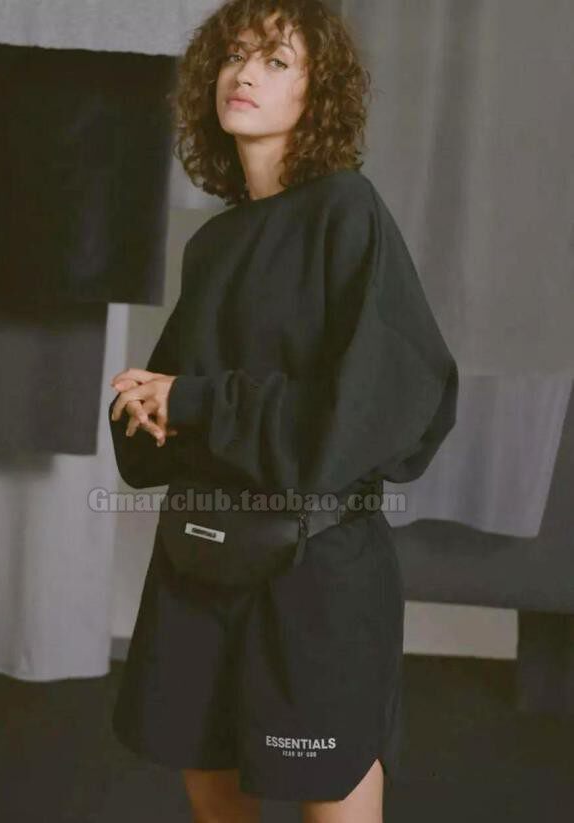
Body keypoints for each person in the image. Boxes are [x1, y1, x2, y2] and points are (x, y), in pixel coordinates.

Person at [108, 2, 458, 821]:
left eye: (275, 60)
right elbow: (172, 408)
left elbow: (379, 409)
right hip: (202, 555)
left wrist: (198, 403)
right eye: (236, 55)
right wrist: (148, 406)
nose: (245, 73)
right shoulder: (213, 244)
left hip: (316, 568)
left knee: (329, 794)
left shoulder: (347, 210)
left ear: (317, 91)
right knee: (210, 783)